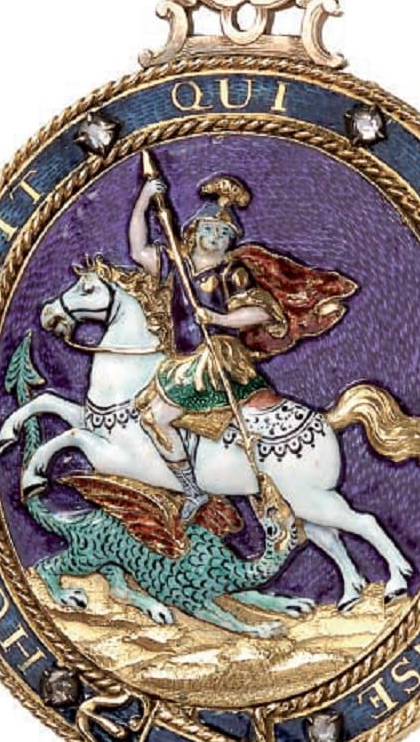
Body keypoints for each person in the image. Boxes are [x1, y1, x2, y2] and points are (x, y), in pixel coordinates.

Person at [129, 172, 357, 521]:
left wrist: (217, 318)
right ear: (193, 231)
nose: (216, 237)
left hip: (216, 355)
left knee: (156, 418)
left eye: (224, 233)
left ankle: (193, 490)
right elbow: (137, 249)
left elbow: (262, 312)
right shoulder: (175, 264)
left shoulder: (231, 274)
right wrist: (145, 198)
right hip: (182, 358)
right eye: (210, 229)